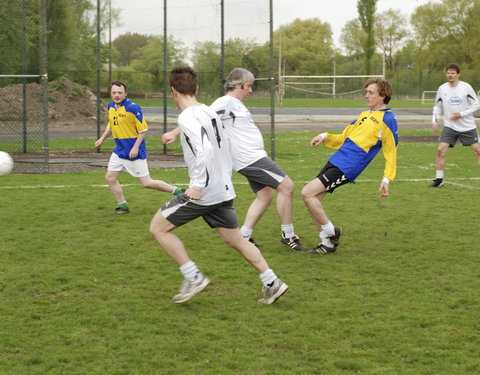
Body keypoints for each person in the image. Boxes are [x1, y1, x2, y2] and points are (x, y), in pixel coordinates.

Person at [150, 67, 288, 304]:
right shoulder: (207, 112)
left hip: (205, 193)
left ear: (173, 91)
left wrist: (199, 186)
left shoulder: (187, 117)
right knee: (235, 240)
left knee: (158, 228)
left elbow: (205, 149)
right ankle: (271, 281)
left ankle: (193, 276)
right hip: (223, 189)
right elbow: (223, 145)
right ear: (197, 89)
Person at [164, 68, 307, 251]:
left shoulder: (236, 104)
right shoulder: (226, 101)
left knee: (265, 196)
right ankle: (288, 235)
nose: (251, 90)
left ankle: (244, 236)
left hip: (253, 157)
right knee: (287, 186)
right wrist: (175, 132)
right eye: (249, 86)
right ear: (239, 85)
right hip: (249, 159)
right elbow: (204, 117)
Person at [301, 78, 398, 254]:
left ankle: (331, 233)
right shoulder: (364, 114)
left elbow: (391, 151)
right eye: (366, 92)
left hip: (348, 167)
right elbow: (343, 137)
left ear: (382, 95)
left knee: (307, 193)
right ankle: (328, 244)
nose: (366, 95)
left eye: (370, 92)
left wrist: (386, 178)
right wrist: (324, 136)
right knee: (313, 200)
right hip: (337, 159)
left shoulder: (388, 119)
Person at [95, 81, 184, 214]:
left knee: (147, 183)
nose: (117, 95)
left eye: (120, 92)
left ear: (125, 93)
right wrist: (102, 138)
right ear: (111, 94)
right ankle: (123, 206)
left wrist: (135, 148)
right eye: (114, 92)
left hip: (134, 151)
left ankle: (179, 192)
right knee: (110, 177)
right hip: (119, 150)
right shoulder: (111, 106)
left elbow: (143, 130)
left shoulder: (133, 107)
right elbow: (111, 124)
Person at [429, 63, 480, 187]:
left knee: (478, 151)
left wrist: (461, 114)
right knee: (441, 150)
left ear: (458, 74)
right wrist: (434, 121)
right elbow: (437, 106)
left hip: (467, 126)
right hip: (450, 126)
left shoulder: (466, 87)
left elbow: (476, 104)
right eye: (448, 73)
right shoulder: (442, 89)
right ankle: (439, 180)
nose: (450, 75)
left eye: (452, 73)